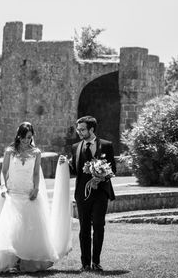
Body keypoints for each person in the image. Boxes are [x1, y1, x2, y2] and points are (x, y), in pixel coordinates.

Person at [0, 122, 71, 274]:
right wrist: (3, 187)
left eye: (29, 137)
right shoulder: (10, 151)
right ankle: (7, 262)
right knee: (9, 228)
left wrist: (36, 189)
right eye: (24, 137)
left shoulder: (36, 152)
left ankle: (24, 262)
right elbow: (3, 171)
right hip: (12, 193)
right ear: (19, 135)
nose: (26, 140)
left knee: (28, 229)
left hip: (29, 193)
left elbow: (36, 173)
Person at [59, 115, 116, 272]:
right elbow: (75, 170)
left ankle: (96, 262)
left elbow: (113, 170)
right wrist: (65, 165)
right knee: (84, 228)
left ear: (91, 129)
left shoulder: (106, 145)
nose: (79, 132)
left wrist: (100, 177)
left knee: (98, 226)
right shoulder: (75, 147)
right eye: (78, 129)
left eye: (82, 129)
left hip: (100, 194)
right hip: (81, 194)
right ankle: (85, 263)